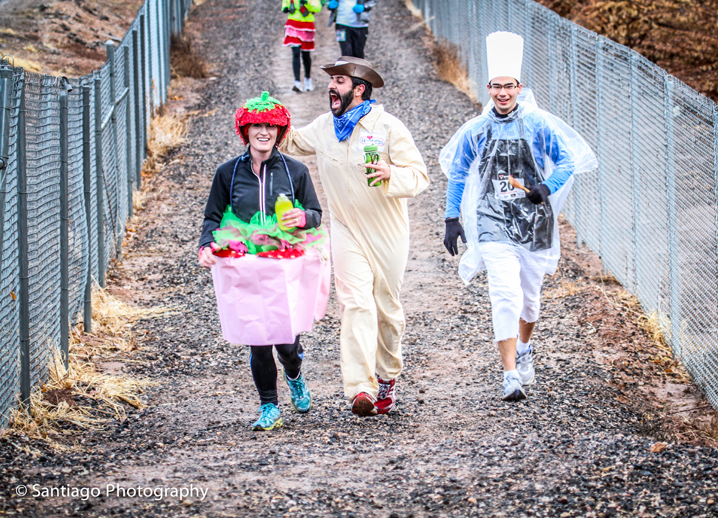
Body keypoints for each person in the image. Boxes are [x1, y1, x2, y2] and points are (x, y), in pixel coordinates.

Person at [441, 32, 596, 402]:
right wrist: (452, 218)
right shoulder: (476, 130)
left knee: (529, 301)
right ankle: (510, 374)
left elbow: (567, 161)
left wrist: (548, 186)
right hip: (492, 222)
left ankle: (524, 349)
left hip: (533, 224)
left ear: (519, 87)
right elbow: (460, 173)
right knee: (505, 295)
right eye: (496, 87)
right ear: (490, 88)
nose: (502, 93)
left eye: (509, 87)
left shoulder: (540, 124)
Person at [279, 56, 429, 417]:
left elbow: (420, 176)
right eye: (331, 80)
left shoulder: (389, 127)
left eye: (340, 81)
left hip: (387, 231)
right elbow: (292, 142)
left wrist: (392, 172)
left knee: (386, 308)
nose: (331, 86)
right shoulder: (324, 127)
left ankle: (387, 376)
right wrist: (269, 119)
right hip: (345, 229)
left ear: (359, 89)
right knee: (355, 303)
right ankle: (361, 386)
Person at [198, 92, 323, 430]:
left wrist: (303, 218)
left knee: (285, 340)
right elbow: (212, 216)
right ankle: (269, 406)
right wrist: (206, 244)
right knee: (258, 336)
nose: (263, 131)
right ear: (246, 131)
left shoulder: (295, 170)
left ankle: (294, 374)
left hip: (285, 263)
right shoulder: (228, 173)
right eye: (257, 126)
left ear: (279, 130)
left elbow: (316, 213)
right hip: (245, 266)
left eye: (270, 126)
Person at [282, 0, 322, 92]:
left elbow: (317, 8)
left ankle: (308, 79)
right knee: (295, 53)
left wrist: (307, 3)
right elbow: (285, 2)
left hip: (307, 25)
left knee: (306, 55)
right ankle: (297, 82)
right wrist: (285, 8)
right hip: (292, 24)